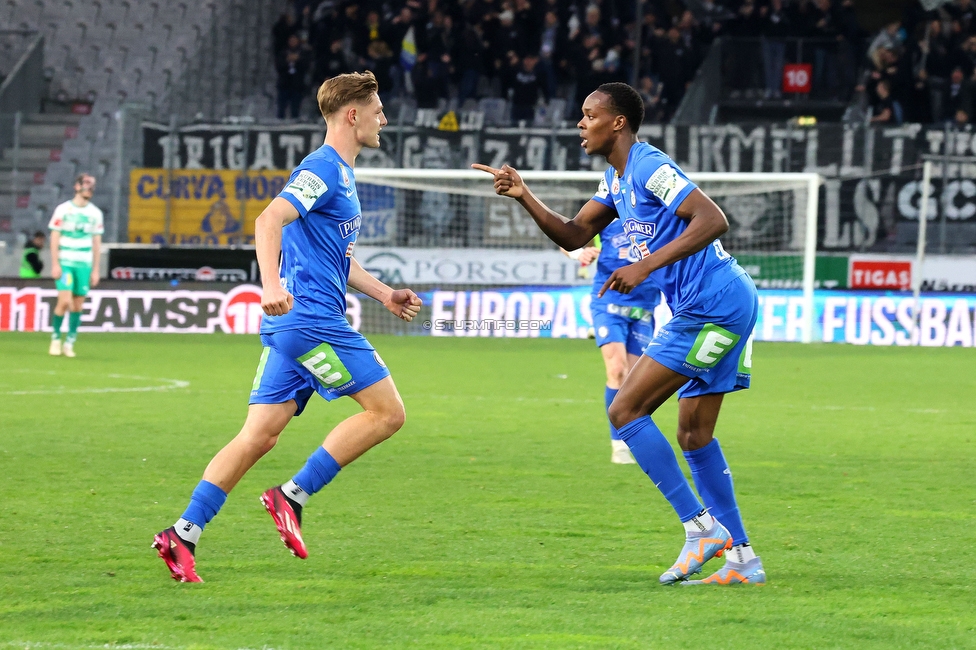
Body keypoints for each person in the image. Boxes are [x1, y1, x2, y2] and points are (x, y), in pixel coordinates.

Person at [473, 82, 763, 586]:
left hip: (713, 306)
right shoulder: (615, 178)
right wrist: (524, 195)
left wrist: (645, 266)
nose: (580, 124)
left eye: (589, 115)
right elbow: (574, 233)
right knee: (694, 435)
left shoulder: (650, 166)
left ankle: (702, 530)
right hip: (709, 306)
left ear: (619, 123)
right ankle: (742, 562)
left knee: (625, 409)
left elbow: (712, 219)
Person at [153, 70, 423, 583]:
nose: (383, 118)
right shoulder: (321, 168)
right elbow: (266, 220)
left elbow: (338, 259)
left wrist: (386, 293)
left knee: (258, 436)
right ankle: (291, 496)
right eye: (377, 109)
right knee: (388, 414)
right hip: (312, 321)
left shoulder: (341, 173)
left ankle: (182, 533)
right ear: (352, 114)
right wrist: (270, 284)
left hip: (293, 327)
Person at [568, 218, 661, 465]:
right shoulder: (608, 216)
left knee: (634, 381)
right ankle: (618, 447)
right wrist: (580, 253)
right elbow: (568, 237)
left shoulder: (662, 219)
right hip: (607, 304)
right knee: (617, 370)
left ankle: (632, 439)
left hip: (644, 309)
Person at [48, 174, 102, 358]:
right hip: (66, 263)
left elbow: (97, 242)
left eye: (92, 185)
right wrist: (55, 263)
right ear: (76, 186)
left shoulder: (95, 213)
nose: (90, 188)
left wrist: (96, 269)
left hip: (84, 264)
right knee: (64, 301)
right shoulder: (63, 210)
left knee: (78, 305)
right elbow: (54, 236)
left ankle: (70, 342)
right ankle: (55, 339)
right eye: (86, 184)